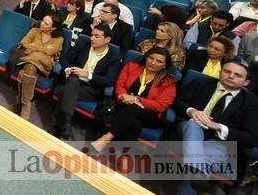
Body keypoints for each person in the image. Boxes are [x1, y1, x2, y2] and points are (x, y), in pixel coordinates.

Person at [174, 60, 258, 194]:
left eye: (237, 75)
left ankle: (195, 171)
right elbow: (176, 101)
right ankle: (197, 169)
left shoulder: (251, 102)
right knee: (194, 123)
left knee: (204, 161)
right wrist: (192, 111)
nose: (230, 76)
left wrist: (220, 127)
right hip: (189, 130)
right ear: (220, 72)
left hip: (220, 141)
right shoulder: (201, 83)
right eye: (227, 71)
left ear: (246, 82)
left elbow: (252, 137)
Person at [90, 47, 177, 152]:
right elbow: (120, 85)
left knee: (134, 109)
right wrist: (123, 96)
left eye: (159, 61)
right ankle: (125, 156)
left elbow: (161, 105)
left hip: (150, 115)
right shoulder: (131, 67)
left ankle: (106, 138)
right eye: (151, 58)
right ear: (146, 57)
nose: (153, 62)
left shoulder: (168, 82)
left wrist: (137, 99)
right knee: (135, 122)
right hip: (124, 104)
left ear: (164, 65)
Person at [49, 24, 122, 140]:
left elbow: (109, 81)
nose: (92, 38)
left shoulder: (114, 58)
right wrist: (67, 69)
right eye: (92, 35)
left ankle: (58, 126)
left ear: (107, 39)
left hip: (91, 89)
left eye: (97, 36)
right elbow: (66, 58)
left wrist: (88, 74)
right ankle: (66, 126)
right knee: (72, 82)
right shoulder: (83, 45)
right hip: (74, 80)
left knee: (65, 90)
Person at [11, 14, 64, 120]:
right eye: (43, 20)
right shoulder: (34, 31)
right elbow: (23, 43)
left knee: (23, 73)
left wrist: (33, 48)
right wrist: (42, 51)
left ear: (53, 28)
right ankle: (26, 105)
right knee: (30, 67)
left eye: (46, 23)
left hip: (43, 68)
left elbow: (50, 51)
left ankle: (19, 104)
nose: (42, 23)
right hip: (27, 63)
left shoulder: (59, 39)